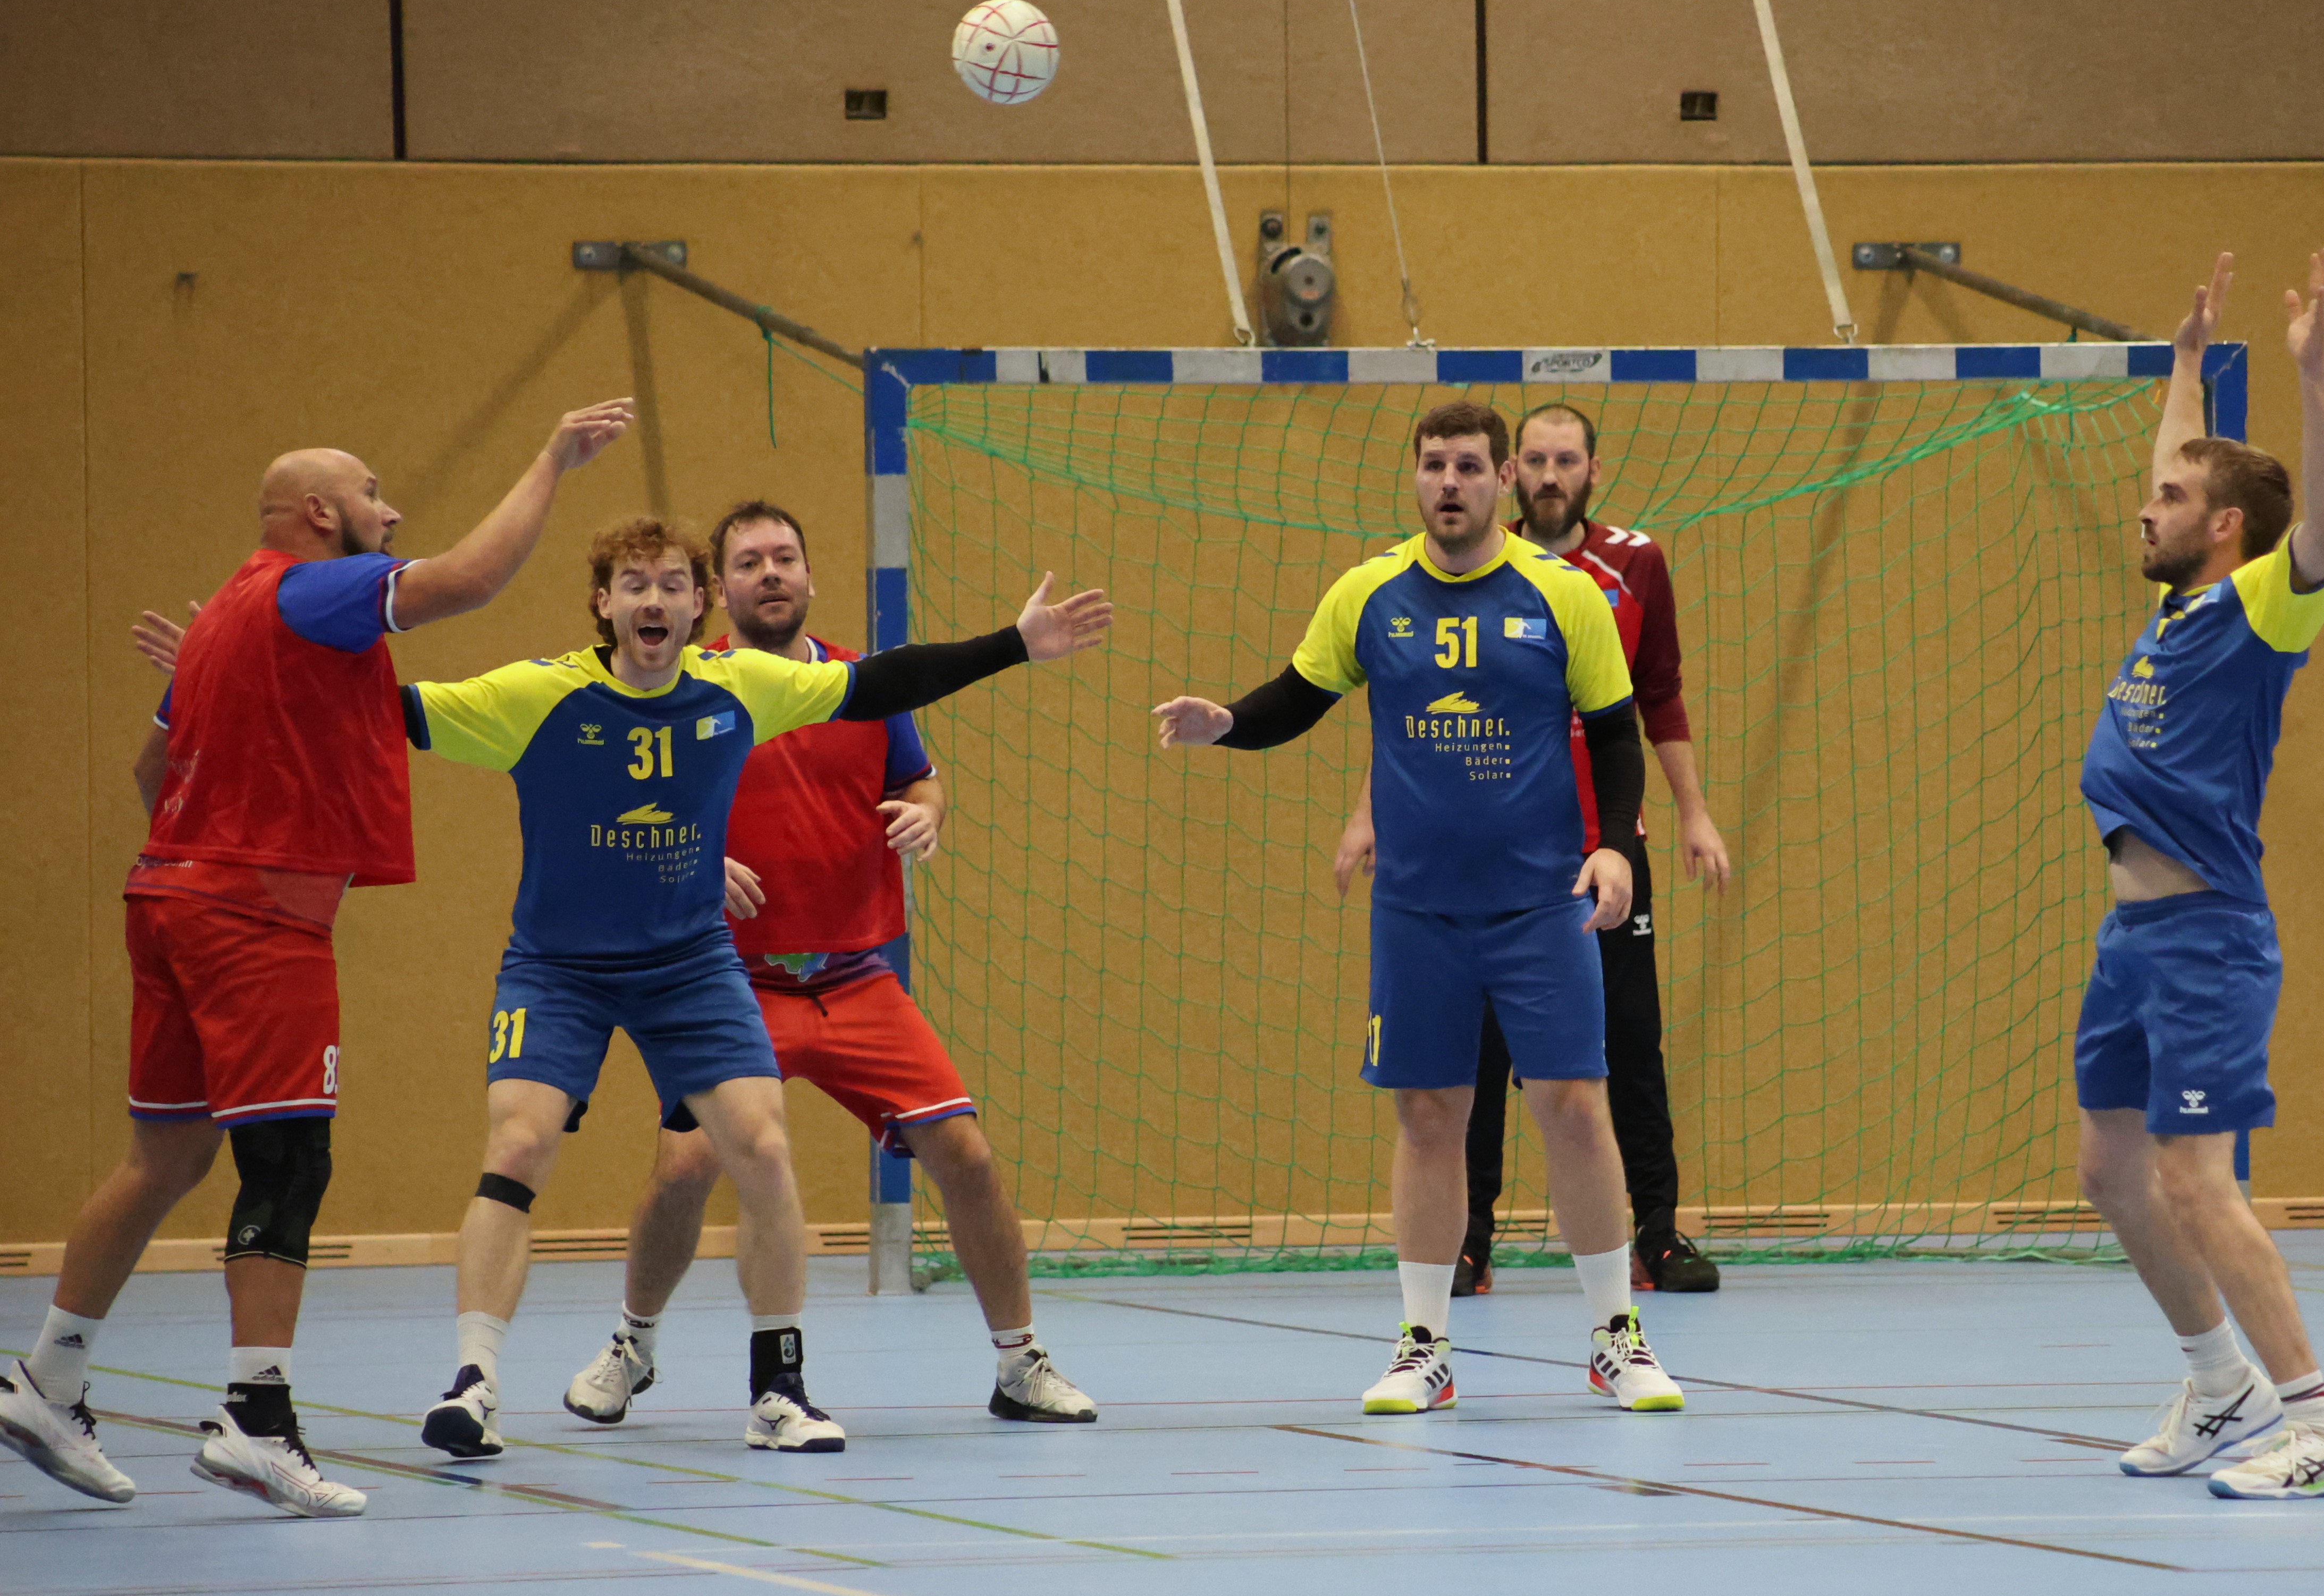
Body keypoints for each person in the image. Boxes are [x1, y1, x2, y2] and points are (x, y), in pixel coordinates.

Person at [0, 402, 637, 1516]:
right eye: (373, 494)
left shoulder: (223, 620)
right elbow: (470, 579)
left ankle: (47, 1378)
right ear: (319, 511)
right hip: (254, 916)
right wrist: (551, 460)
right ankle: (256, 1418)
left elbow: (153, 771)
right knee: (288, 1160)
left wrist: (218, 840)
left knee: (166, 1156)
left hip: (168, 895)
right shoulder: (315, 589)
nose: (391, 512)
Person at [406, 518, 1111, 1461]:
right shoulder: (548, 693)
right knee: (557, 1148)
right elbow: (396, 711)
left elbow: (894, 695)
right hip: (610, 965)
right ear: (606, 602)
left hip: (759, 970)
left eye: (671, 583)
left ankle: (808, 1383)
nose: (654, 600)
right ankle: (509, 1372)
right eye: (635, 584)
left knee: (801, 1149)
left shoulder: (757, 686)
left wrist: (1014, 645)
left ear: (696, 603)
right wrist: (273, 655)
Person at [1154, 399, 1683, 1414]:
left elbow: (1617, 732)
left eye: (1469, 466)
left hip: (1540, 904)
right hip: (1417, 911)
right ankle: (1424, 1347)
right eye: (1434, 465)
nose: (1450, 482)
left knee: (1574, 1107)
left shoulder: (1561, 593)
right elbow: (1297, 696)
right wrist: (1226, 721)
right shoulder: (1367, 592)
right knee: (1429, 1115)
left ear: (1502, 479)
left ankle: (1615, 1337)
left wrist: (1615, 844)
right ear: (1415, 477)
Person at [2072, 250, 2324, 1500]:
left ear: (2226, 528)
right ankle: (2218, 1387)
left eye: (2172, 498)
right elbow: (2182, 461)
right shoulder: (2177, 609)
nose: (2147, 507)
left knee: (2196, 1181)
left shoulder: (2263, 612)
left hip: (2206, 936)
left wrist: (2313, 376)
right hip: (2131, 942)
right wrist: (2186, 361)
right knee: (2109, 1169)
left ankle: (2323, 1432)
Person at [1333, 403, 1731, 1297]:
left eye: (1568, 461)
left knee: (1623, 1050)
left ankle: (1655, 1236)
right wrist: (1367, 812)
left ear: (1593, 469)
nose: (1552, 476)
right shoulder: (1473, 564)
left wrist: (1691, 813)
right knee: (1468, 1064)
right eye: (1538, 461)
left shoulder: (1630, 566)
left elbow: (1654, 698)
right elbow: (1415, 713)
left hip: (1602, 851)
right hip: (1497, 858)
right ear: (1514, 471)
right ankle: (1469, 1241)